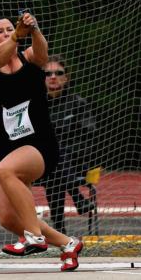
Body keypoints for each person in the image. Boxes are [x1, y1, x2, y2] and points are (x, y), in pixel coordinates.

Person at [0, 11, 83, 271]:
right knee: (9, 218)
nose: (7, 33)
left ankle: (34, 237)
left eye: (11, 29)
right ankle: (68, 243)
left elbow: (43, 55)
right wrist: (18, 35)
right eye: (0, 31)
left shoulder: (29, 57)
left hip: (41, 146)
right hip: (11, 150)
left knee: (5, 170)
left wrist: (33, 30)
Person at [42, 54, 96, 234]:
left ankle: (59, 230)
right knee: (53, 159)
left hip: (76, 162)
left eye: (58, 72)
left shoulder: (78, 103)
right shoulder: (37, 104)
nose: (53, 77)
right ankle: (77, 197)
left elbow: (88, 136)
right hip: (43, 164)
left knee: (56, 162)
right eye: (47, 73)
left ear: (66, 77)